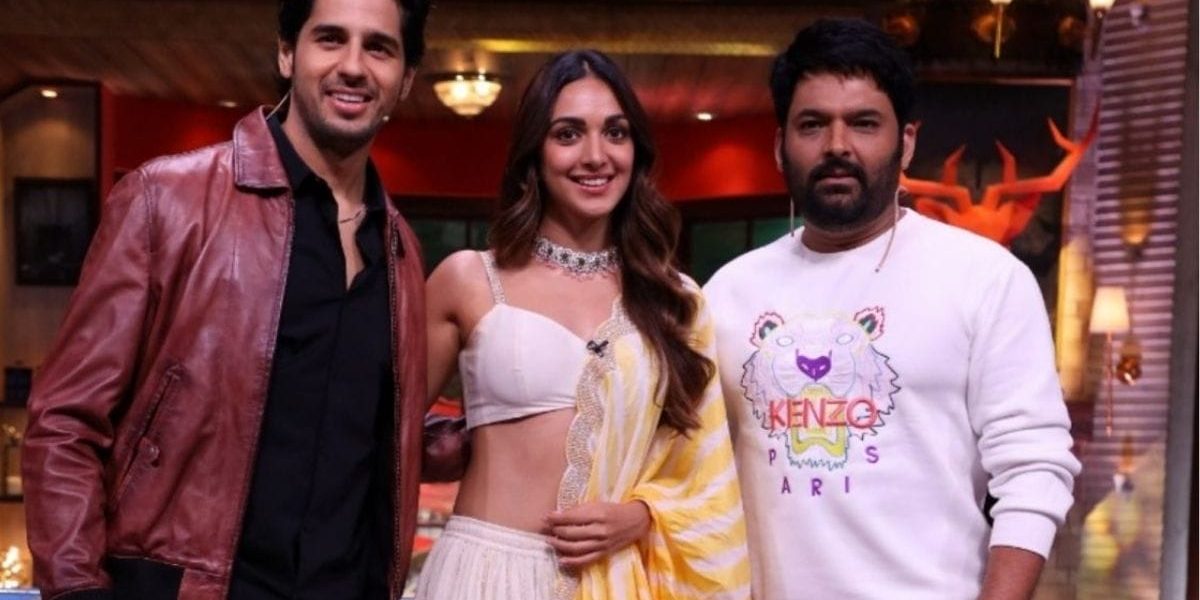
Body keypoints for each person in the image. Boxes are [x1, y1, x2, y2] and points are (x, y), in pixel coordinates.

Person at [21, 0, 431, 598]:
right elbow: (65, 420)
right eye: (329, 39)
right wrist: (77, 588)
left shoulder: (401, 252)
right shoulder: (167, 200)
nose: (352, 65)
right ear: (287, 53)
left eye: (379, 47)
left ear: (406, 79)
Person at [703, 19, 1081, 599]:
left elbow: (1035, 470)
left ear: (906, 142)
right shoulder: (729, 293)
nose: (837, 146)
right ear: (780, 146)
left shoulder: (984, 278)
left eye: (863, 123)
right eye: (812, 124)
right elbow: (689, 467)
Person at [419, 49, 751, 600]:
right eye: (568, 134)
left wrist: (643, 516)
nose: (596, 156)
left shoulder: (674, 301)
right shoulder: (469, 279)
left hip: (616, 578)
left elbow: (703, 473)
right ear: (535, 150)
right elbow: (382, 436)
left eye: (615, 133)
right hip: (484, 575)